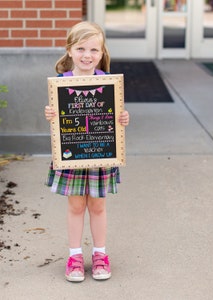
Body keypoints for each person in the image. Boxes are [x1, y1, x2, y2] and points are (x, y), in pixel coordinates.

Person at [44, 21, 129, 282]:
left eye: (94, 50)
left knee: (99, 206)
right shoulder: (61, 84)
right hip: (72, 153)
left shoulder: (108, 83)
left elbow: (115, 115)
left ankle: (101, 254)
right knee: (76, 205)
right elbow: (58, 116)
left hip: (101, 154)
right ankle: (75, 256)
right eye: (81, 48)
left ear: (102, 53)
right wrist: (50, 114)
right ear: (69, 50)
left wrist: (123, 118)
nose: (87, 55)